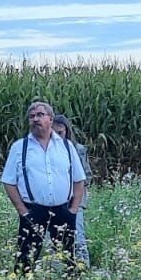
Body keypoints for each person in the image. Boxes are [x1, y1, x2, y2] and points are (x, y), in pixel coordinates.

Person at [1, 100, 87, 275]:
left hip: (63, 210)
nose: (35, 119)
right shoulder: (20, 147)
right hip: (33, 211)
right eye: (31, 116)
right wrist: (22, 210)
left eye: (40, 115)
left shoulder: (66, 146)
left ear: (50, 118)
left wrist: (74, 209)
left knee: (68, 257)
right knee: (25, 258)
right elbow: (8, 181)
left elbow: (79, 179)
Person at [52, 113, 92, 265]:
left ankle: (82, 269)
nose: (58, 136)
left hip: (76, 199)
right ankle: (59, 272)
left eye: (61, 133)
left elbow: (87, 176)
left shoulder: (77, 149)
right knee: (56, 238)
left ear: (67, 132)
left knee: (78, 236)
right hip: (54, 200)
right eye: (54, 133)